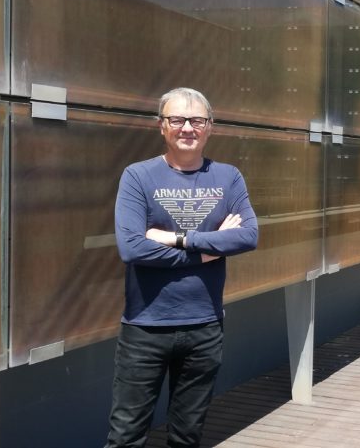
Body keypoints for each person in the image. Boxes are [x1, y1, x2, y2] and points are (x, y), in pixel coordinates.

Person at [106, 88, 258, 447]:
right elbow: (132, 247)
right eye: (177, 119)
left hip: (205, 326)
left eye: (197, 120)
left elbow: (249, 236)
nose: (187, 127)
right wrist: (209, 249)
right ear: (162, 126)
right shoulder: (138, 176)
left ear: (210, 127)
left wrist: (178, 239)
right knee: (126, 435)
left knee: (187, 436)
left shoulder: (228, 177)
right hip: (145, 327)